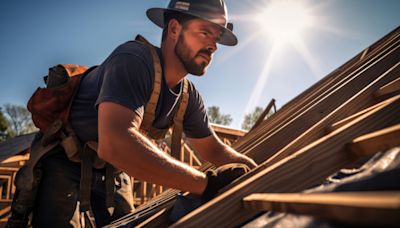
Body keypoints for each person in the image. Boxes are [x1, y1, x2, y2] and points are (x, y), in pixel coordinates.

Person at [8, 0, 257, 227]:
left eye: (217, 37)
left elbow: (214, 150)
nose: (213, 46)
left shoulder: (188, 96)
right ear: (173, 29)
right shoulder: (133, 60)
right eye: (205, 32)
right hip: (65, 157)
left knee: (130, 223)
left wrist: (256, 170)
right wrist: (205, 184)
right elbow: (116, 143)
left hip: (112, 169)